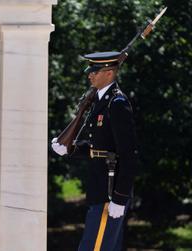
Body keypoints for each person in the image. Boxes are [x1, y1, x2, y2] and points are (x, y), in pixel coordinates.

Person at [51, 51, 138, 250]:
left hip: (109, 191)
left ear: (109, 73)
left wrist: (120, 197)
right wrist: (70, 149)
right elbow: (97, 147)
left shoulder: (116, 103)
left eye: (95, 71)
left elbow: (128, 154)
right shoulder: (100, 101)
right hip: (98, 188)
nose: (90, 75)